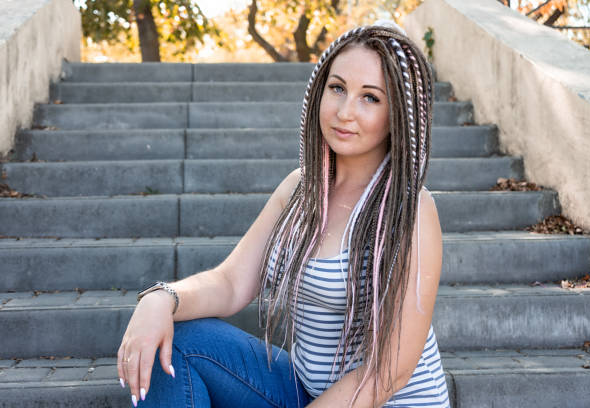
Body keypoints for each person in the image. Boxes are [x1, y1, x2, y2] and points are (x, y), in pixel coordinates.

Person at [117, 20, 449, 408]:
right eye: (338, 88)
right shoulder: (299, 189)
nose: (345, 111)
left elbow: (387, 372)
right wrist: (160, 299)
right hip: (305, 391)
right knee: (175, 341)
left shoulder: (411, 210)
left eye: (370, 98)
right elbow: (230, 283)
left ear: (399, 115)